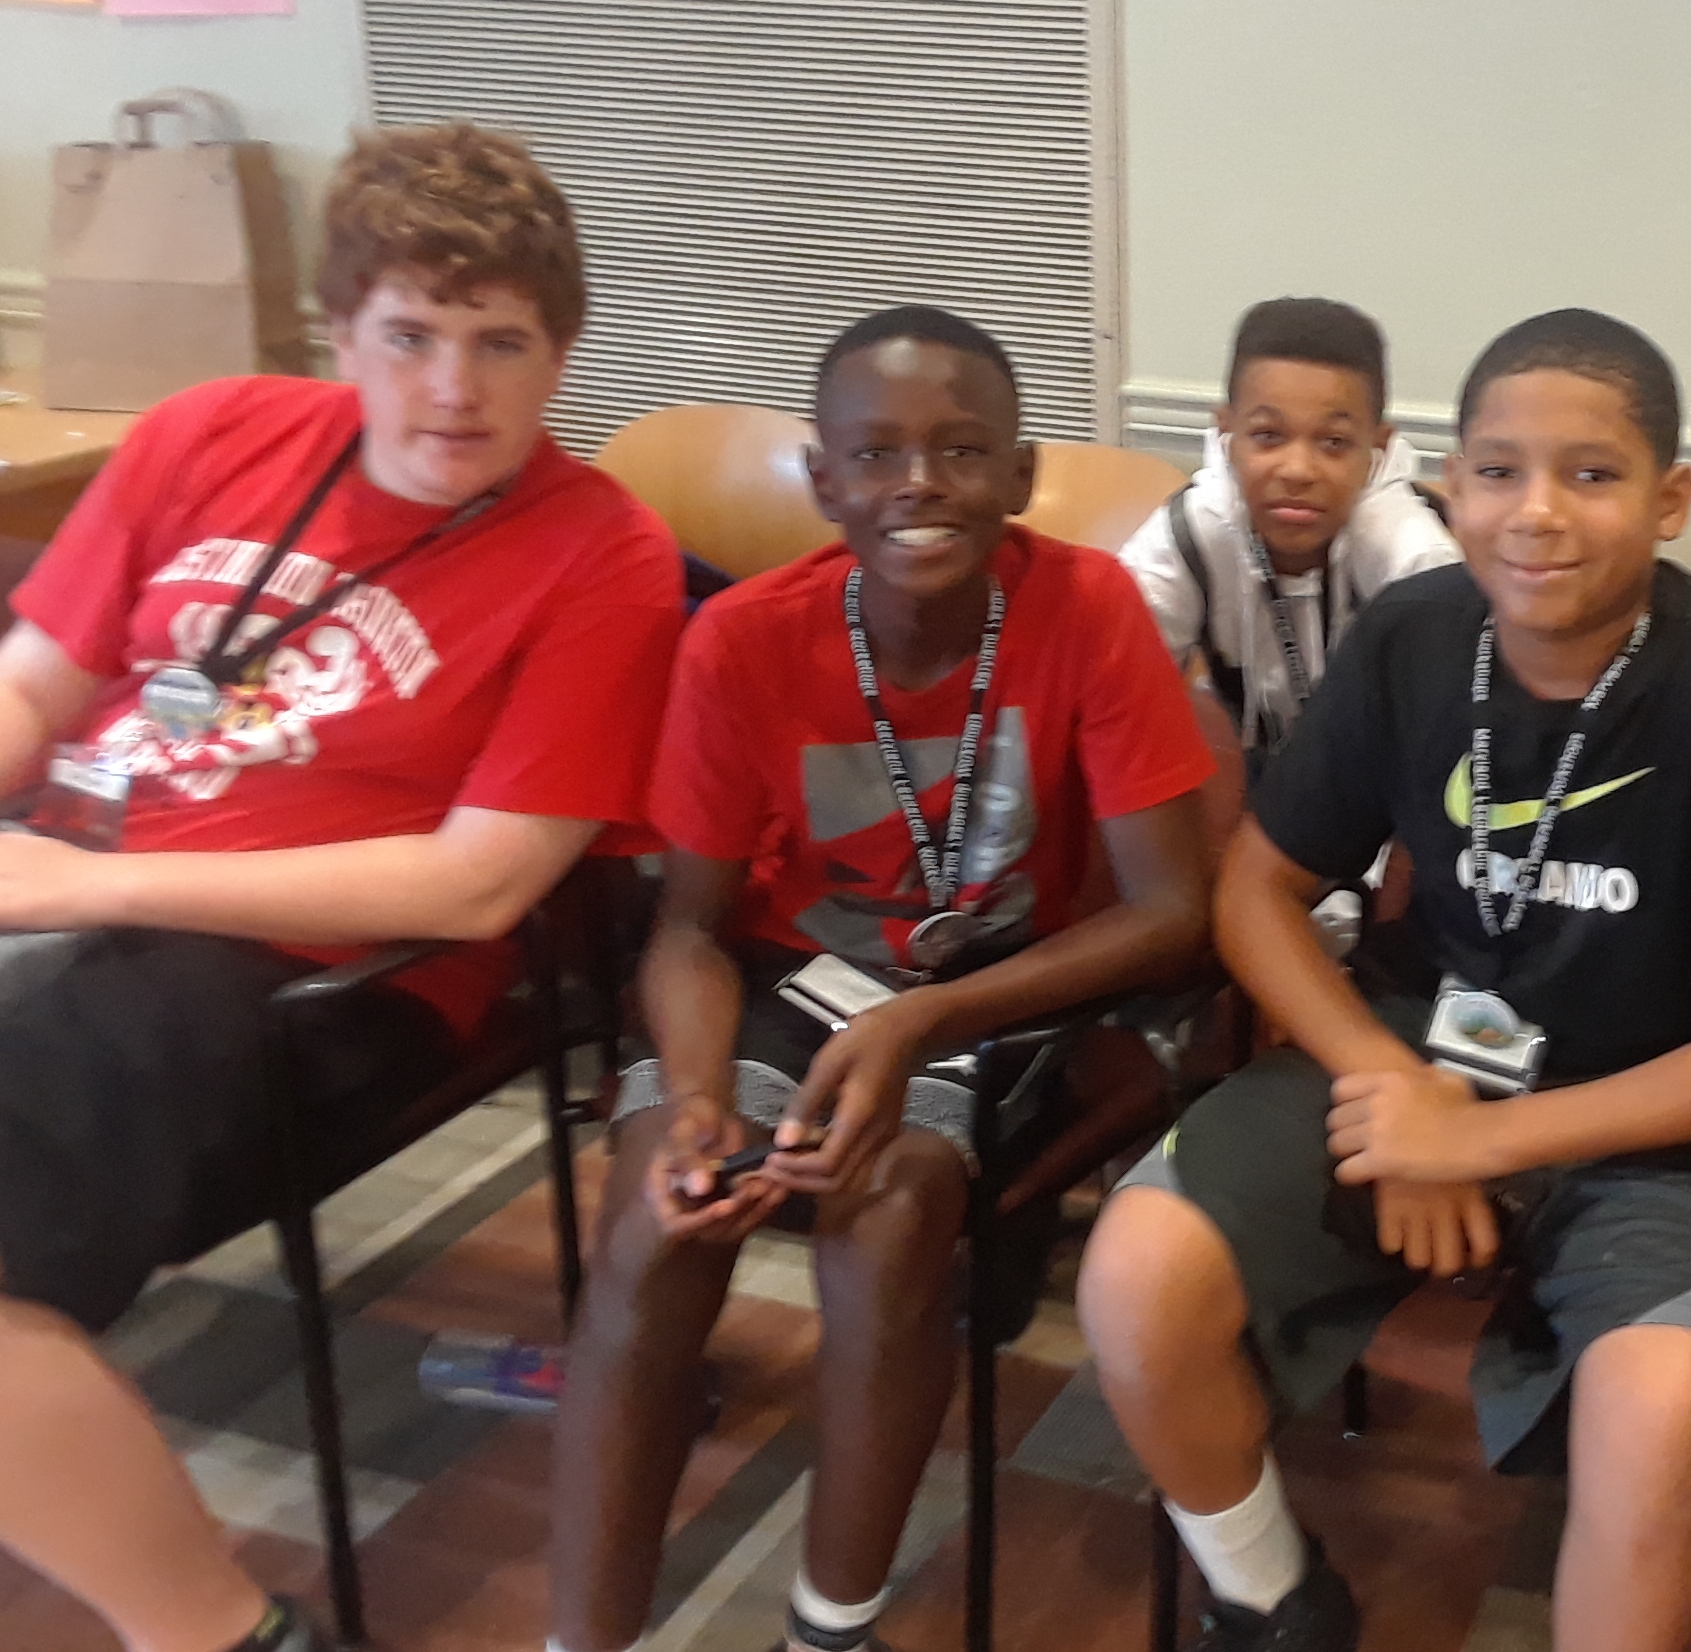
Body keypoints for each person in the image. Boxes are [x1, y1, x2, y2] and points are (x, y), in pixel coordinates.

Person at [1078, 308, 1691, 1652]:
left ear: (1671, 500)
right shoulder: (1412, 635)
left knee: (1665, 1412)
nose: (1537, 512)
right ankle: (1273, 1593)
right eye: (1499, 470)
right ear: (1448, 487)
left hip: (1652, 1114)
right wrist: (1393, 1091)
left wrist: (1480, 1140)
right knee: (1135, 1271)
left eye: (1592, 473)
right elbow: (1255, 892)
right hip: (1415, 1053)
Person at [0, 123, 683, 1652]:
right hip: (66, 874)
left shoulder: (599, 554)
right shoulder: (211, 432)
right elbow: (35, 686)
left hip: (304, 967)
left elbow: (478, 883)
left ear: (559, 356)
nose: (455, 387)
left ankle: (227, 1630)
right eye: (412, 335)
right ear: (341, 330)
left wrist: (81, 891)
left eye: (502, 343)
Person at [548, 304, 1216, 1652]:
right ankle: (582, 1638)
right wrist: (696, 1099)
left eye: (961, 450)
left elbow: (1171, 913)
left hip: (997, 990)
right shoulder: (743, 639)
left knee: (890, 1215)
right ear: (823, 478)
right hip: (785, 980)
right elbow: (687, 930)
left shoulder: (1085, 609)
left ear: (1019, 475)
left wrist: (927, 1019)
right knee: (657, 1218)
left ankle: (828, 1625)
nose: (919, 483)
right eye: (877, 453)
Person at [1116, 296, 1458, 769]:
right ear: (1227, 433)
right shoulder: (1190, 536)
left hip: (1388, 780)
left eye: (1334, 442)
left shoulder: (1415, 557)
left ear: (1376, 448)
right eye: (1268, 436)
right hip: (1251, 768)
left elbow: (1453, 738)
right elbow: (1116, 704)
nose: (1298, 470)